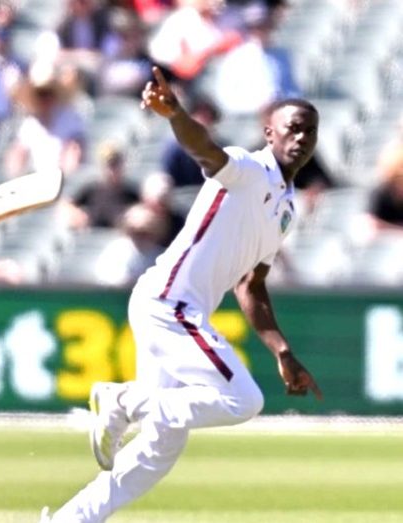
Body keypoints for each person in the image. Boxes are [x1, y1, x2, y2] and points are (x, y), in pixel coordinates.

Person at [41, 66, 323, 522]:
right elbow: (204, 149)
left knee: (157, 452)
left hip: (177, 310)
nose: (302, 138)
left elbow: (251, 284)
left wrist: (282, 349)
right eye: (293, 127)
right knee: (243, 400)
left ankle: (71, 519)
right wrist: (175, 114)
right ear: (269, 131)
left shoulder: (285, 207)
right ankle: (122, 401)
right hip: (169, 305)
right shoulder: (249, 169)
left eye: (310, 131)